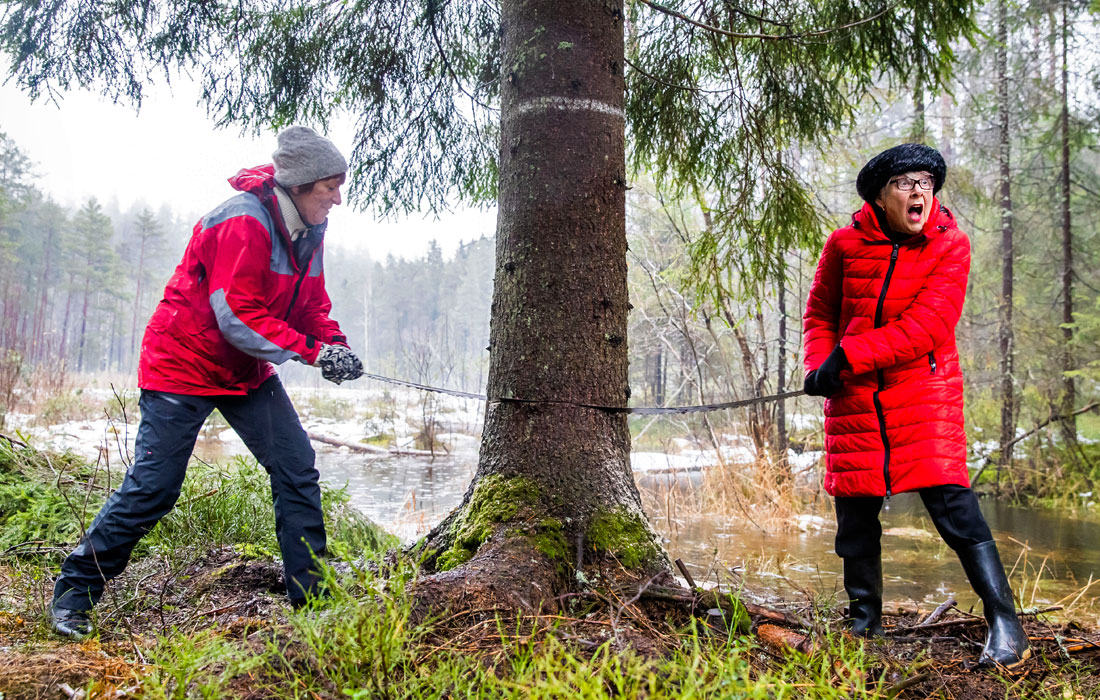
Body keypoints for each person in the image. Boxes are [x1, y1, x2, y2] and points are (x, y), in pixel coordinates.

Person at [50, 126, 364, 638]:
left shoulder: (310, 230)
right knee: (155, 488)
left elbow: (311, 306)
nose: (337, 198)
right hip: (184, 363)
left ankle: (314, 604)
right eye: (330, 186)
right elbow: (236, 316)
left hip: (244, 369)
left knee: (295, 467)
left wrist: (336, 345)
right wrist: (312, 352)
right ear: (303, 183)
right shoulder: (242, 220)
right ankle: (75, 591)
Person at [802, 143, 1030, 668]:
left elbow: (929, 327)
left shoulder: (950, 246)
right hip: (854, 396)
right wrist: (820, 365)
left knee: (955, 510)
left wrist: (848, 354)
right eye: (905, 183)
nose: (918, 191)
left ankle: (1005, 624)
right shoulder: (843, 246)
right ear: (881, 196)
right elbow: (820, 315)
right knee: (855, 518)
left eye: (926, 182)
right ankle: (865, 627)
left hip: (923, 393)